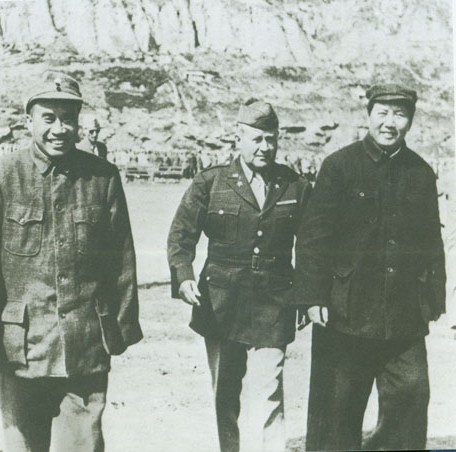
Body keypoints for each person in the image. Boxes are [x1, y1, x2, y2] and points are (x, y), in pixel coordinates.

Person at [0, 71, 143, 452]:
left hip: (85, 343)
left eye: (68, 119)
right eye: (49, 118)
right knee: (22, 445)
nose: (59, 129)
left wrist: (121, 328)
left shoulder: (102, 177)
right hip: (19, 345)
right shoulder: (3, 175)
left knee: (83, 446)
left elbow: (121, 261)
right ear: (29, 121)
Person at [293, 83, 446, 451]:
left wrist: (433, 300)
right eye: (383, 113)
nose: (390, 123)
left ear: (410, 120)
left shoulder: (421, 173)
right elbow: (313, 238)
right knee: (336, 410)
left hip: (403, 315)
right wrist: (312, 297)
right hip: (344, 312)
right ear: (369, 115)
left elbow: (431, 242)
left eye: (400, 115)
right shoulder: (339, 166)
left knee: (411, 396)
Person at [167, 98, 312, 452]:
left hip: (274, 301)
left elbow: (311, 245)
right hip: (221, 302)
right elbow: (181, 235)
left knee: (268, 389)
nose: (265, 147)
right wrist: (184, 276)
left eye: (271, 140)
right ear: (239, 138)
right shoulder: (210, 182)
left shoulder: (294, 185)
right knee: (225, 391)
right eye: (257, 139)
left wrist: (307, 294)